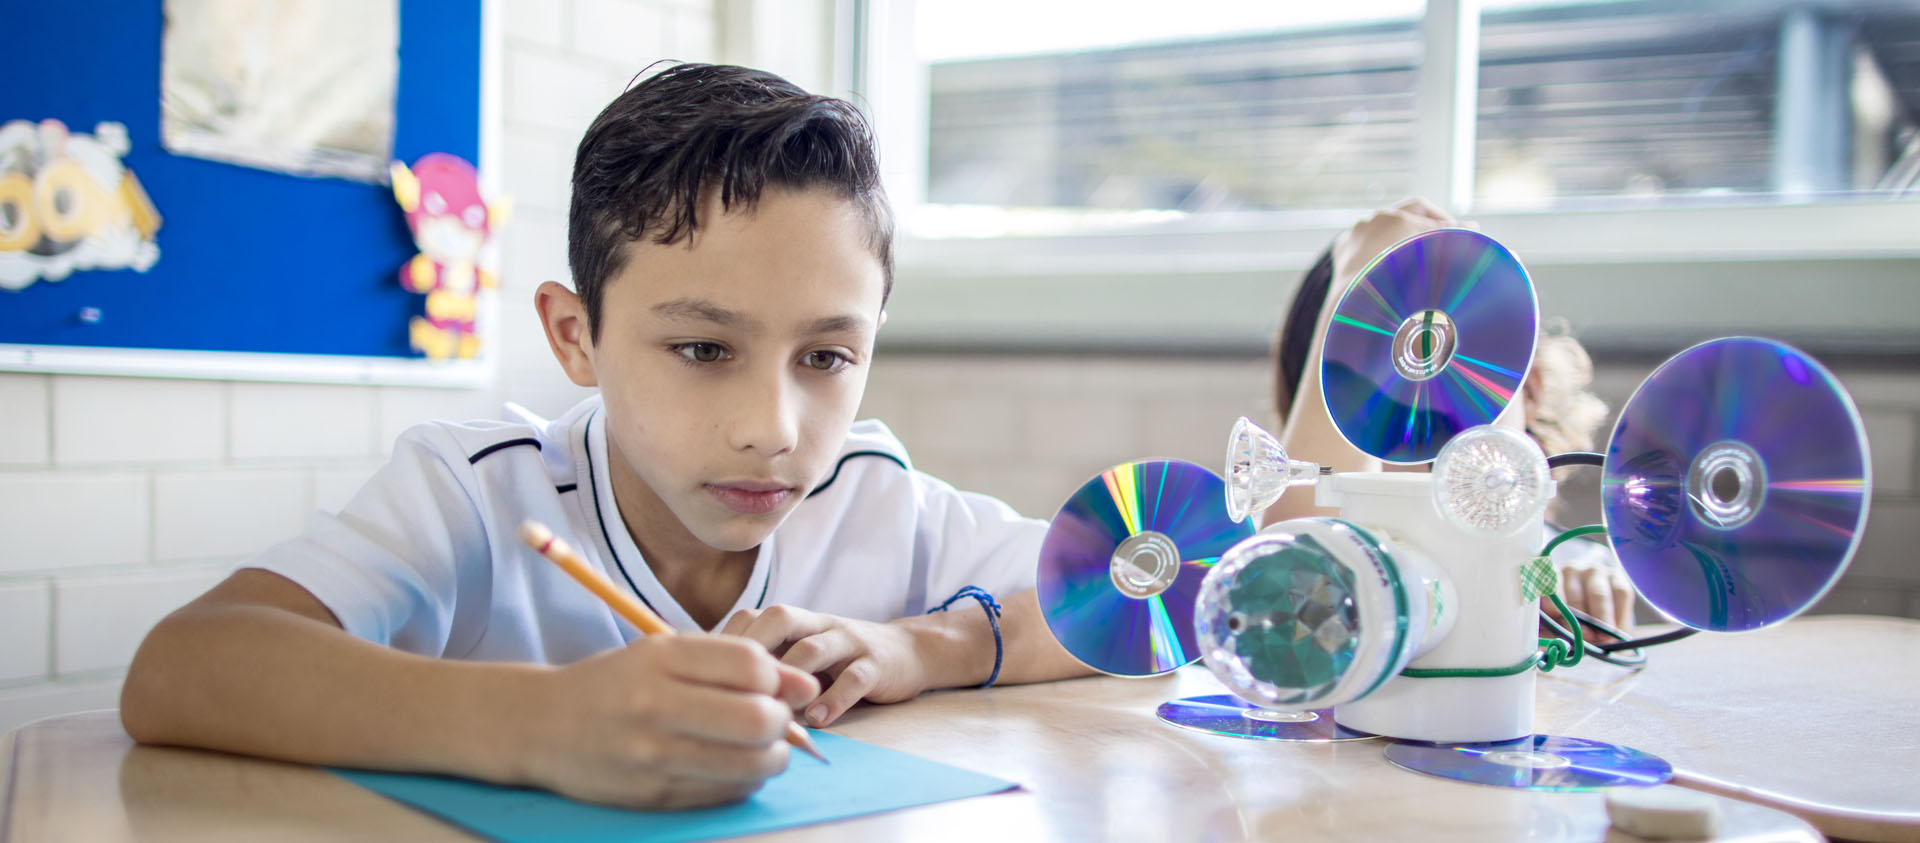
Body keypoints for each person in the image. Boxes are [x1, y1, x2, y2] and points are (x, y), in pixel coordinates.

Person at [120, 63, 1091, 811]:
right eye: (704, 347)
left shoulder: (873, 493)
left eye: (828, 357)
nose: (772, 430)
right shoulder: (477, 491)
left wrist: (931, 646)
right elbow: (182, 667)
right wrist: (539, 724)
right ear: (574, 336)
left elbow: (1153, 574)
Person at [1258, 198, 1636, 634]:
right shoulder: (1255, 557)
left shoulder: (1559, 572)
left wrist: (1584, 592)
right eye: (1372, 382)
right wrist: (1352, 286)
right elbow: (1287, 614)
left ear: (1529, 388)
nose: (1416, 418)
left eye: (1447, 365)